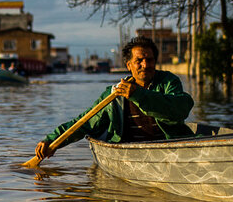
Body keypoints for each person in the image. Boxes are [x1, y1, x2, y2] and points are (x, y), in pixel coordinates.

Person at [34, 36, 194, 162]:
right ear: (129, 65)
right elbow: (84, 123)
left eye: (150, 60)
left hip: (168, 147)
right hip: (131, 151)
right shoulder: (115, 94)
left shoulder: (168, 81)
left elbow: (180, 109)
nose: (145, 65)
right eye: (139, 61)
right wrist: (52, 141)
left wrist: (138, 95)